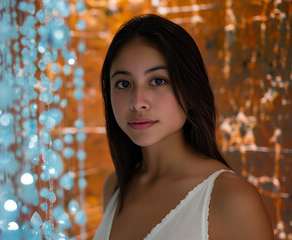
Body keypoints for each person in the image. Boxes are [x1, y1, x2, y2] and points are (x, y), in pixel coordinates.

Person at [94, 14, 273, 240]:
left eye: (158, 80)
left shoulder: (231, 199)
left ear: (190, 88)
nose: (138, 101)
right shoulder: (115, 188)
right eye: (123, 83)